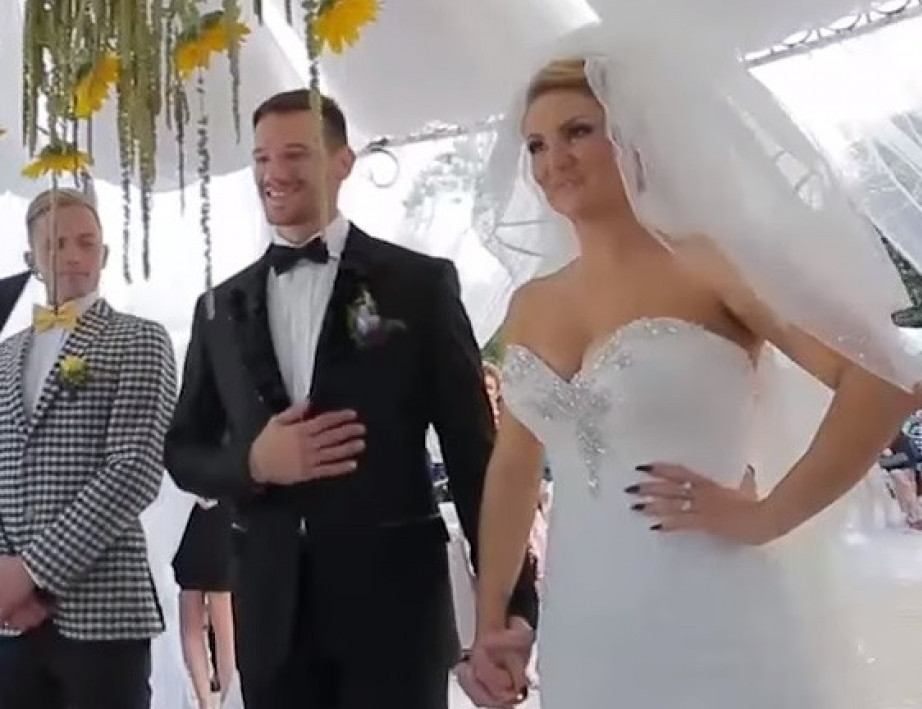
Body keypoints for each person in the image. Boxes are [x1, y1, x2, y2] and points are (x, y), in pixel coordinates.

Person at [456, 26, 922, 709]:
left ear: (635, 134)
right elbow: (513, 467)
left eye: (578, 131)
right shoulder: (530, 304)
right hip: (583, 623)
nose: (553, 159)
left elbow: (884, 379)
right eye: (536, 144)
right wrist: (491, 618)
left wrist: (770, 515)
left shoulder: (710, 263)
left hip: (712, 601)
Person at [163, 89, 538, 709]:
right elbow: (184, 452)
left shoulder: (418, 286)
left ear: (343, 162)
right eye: (262, 158)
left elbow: (475, 455)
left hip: (395, 614)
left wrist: (513, 605)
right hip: (271, 615)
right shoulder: (218, 309)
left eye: (295, 154)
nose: (274, 173)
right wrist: (254, 463)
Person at [0, 188, 177, 709]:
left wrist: (31, 574)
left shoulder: (140, 339)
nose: (73, 255)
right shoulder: (4, 355)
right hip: (10, 622)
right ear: (32, 259)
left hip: (104, 612)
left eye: (86, 242)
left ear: (105, 253)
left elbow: (134, 470)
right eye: (55, 244)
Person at [172, 497, 236, 709]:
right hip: (213, 511)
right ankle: (228, 698)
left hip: (185, 512)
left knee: (192, 617)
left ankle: (206, 701)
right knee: (222, 624)